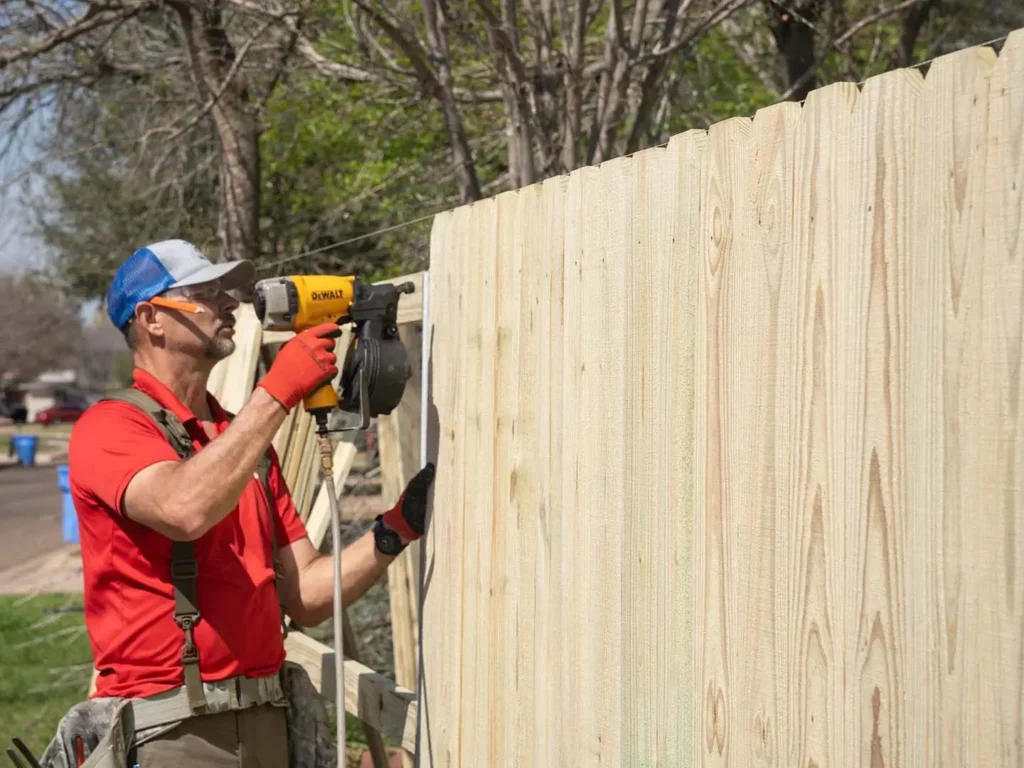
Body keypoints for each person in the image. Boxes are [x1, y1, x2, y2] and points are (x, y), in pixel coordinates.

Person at [59, 239, 434, 766]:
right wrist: (276, 393)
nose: (228, 303)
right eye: (205, 292)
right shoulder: (109, 428)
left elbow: (305, 594)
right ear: (151, 319)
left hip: (267, 722)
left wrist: (395, 529)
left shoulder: (243, 446)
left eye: (224, 290)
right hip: (172, 732)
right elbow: (183, 509)